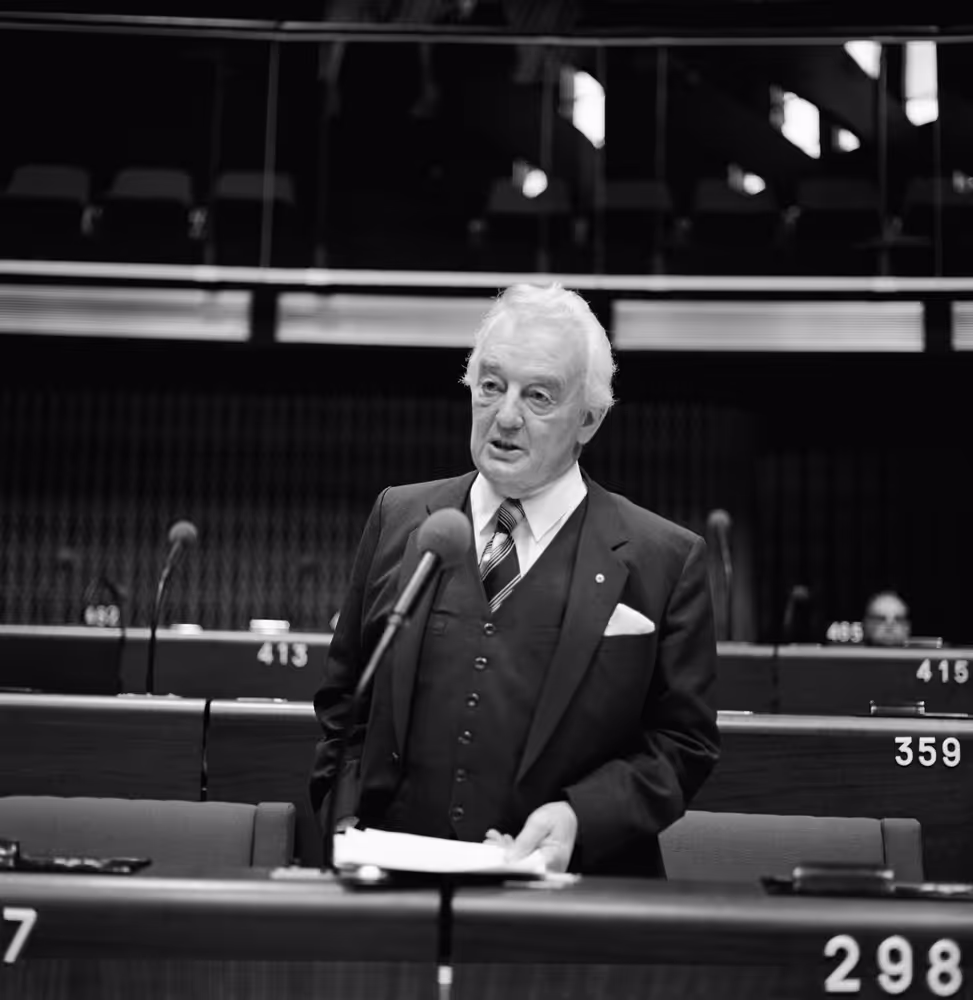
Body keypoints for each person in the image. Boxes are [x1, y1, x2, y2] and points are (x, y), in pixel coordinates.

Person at [309, 283, 720, 877]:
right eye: (491, 386)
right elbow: (345, 705)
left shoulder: (664, 558)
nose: (505, 416)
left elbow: (683, 745)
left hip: (570, 901)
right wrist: (346, 828)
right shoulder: (399, 518)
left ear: (589, 419)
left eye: (539, 397)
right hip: (388, 889)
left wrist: (582, 818)